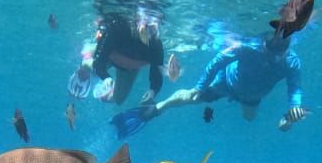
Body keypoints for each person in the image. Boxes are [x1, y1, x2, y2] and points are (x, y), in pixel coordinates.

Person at [112, 22, 308, 136]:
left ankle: (285, 119)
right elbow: (217, 62)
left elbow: (295, 88)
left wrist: (294, 107)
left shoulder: (291, 62)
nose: (271, 57)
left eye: (278, 54)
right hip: (225, 83)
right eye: (269, 51)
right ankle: (154, 110)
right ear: (264, 43)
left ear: (286, 49)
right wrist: (200, 86)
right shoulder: (247, 47)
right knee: (192, 97)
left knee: (249, 118)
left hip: (252, 95)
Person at [69, 9, 164, 106]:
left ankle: (103, 94)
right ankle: (85, 64)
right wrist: (106, 78)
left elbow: (157, 68)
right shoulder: (117, 29)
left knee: (118, 99)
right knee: (95, 69)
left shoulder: (155, 43)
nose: (145, 32)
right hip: (111, 55)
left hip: (128, 67)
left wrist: (153, 91)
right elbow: (99, 62)